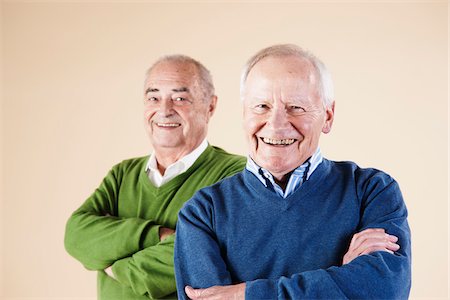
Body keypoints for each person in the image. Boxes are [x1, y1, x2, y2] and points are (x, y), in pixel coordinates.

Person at [174, 44, 411, 299]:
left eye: (295, 107)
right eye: (262, 106)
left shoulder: (371, 191)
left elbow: (385, 290)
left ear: (328, 117)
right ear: (244, 115)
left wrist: (244, 293)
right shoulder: (202, 213)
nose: (276, 125)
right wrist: (342, 279)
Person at [64, 55, 246, 300]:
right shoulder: (122, 174)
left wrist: (114, 265)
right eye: (154, 97)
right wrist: (158, 235)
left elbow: (201, 256)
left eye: (180, 98)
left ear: (210, 106)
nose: (164, 110)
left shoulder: (235, 175)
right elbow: (76, 236)